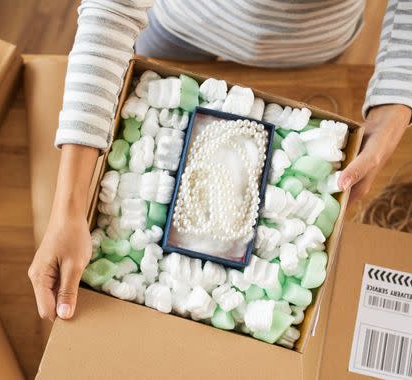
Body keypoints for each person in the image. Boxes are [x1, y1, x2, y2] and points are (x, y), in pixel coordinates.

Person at [28, 0, 412, 321]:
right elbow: (113, 9)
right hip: (184, 20)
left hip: (311, 43)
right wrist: (68, 208)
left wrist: (395, 107)